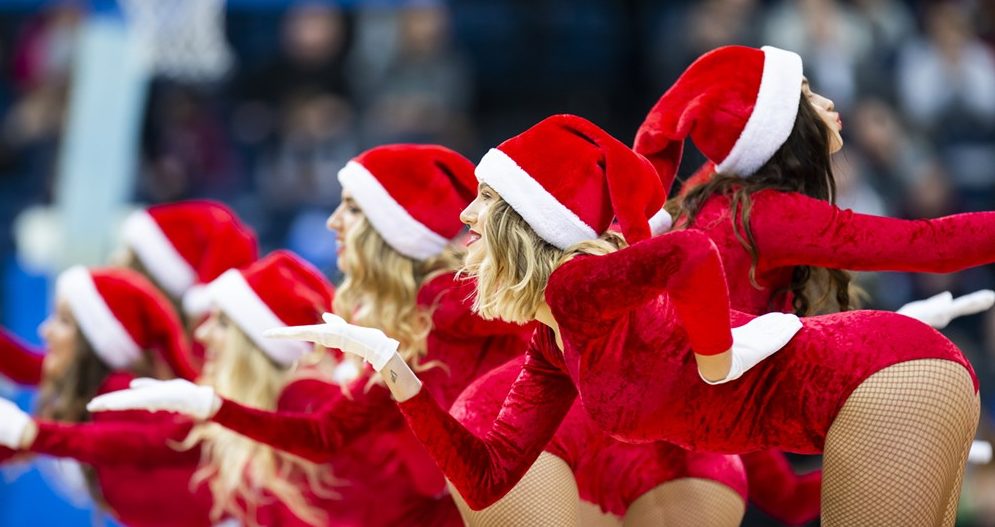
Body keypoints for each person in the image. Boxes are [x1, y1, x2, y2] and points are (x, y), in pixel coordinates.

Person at [266, 113, 982, 526]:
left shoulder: (579, 286)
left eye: (481, 203)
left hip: (881, 378)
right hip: (889, 375)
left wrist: (715, 356)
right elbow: (486, 477)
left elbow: (692, 250)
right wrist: (393, 370)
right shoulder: (557, 336)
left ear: (524, 224)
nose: (462, 218)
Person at [634, 44, 995, 525]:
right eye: (804, 93)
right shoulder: (762, 213)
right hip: (662, 429)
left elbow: (784, 489)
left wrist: (903, 455)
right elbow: (928, 245)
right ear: (776, 127)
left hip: (719, 403)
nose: (827, 102)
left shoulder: (717, 201)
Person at [89, 145, 534, 526]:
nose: (333, 221)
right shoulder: (406, 319)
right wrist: (213, 406)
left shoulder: (458, 312)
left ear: (395, 231)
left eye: (354, 208)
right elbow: (328, 436)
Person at [0, 266, 213, 527]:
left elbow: (119, 442)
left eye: (64, 321)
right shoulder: (89, 390)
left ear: (96, 341)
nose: (46, 330)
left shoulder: (121, 396)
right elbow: (26, 367)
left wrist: (31, 433)